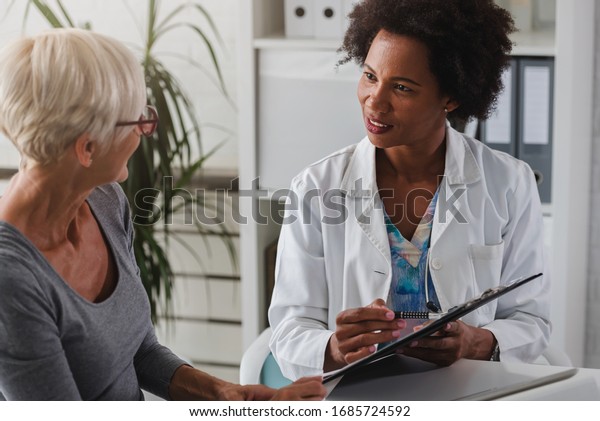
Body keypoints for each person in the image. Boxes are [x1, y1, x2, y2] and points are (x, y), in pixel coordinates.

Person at [0, 28, 326, 401]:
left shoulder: (105, 201)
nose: (145, 131)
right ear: (87, 148)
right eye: (136, 121)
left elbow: (139, 352)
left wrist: (234, 396)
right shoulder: (10, 279)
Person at [268, 0, 551, 380]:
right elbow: (288, 330)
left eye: (401, 87)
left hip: (472, 392)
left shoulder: (509, 183)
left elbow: (531, 319)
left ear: (451, 97)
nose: (375, 101)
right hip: (361, 397)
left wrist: (475, 341)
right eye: (370, 76)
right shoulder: (316, 188)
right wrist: (333, 348)